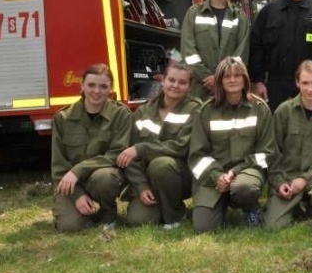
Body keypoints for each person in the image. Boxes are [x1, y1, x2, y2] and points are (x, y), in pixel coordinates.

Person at [188, 56, 275, 232]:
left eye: (237, 75)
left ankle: (251, 207)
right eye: (227, 76)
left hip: (247, 172)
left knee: (244, 187)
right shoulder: (206, 111)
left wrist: (234, 172)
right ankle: (221, 202)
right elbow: (197, 156)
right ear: (220, 81)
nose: (233, 80)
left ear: (245, 79)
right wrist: (217, 176)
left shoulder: (260, 108)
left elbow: (267, 153)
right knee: (204, 227)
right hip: (215, 177)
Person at [118, 62, 201, 229]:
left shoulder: (195, 110)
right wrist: (141, 187)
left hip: (181, 176)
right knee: (138, 220)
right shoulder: (143, 111)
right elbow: (129, 154)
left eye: (182, 82)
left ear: (189, 86)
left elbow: (182, 146)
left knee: (161, 165)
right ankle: (161, 206)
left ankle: (175, 216)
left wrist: (142, 149)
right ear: (162, 81)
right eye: (171, 80)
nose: (175, 85)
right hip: (149, 180)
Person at [51, 63, 132, 232]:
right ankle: (87, 213)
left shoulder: (121, 115)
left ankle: (108, 214)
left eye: (103, 86)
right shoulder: (62, 118)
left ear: (111, 89)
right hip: (73, 184)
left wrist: (79, 169)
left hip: (103, 179)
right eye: (91, 85)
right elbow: (59, 165)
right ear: (82, 86)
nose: (97, 91)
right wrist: (78, 195)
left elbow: (117, 154)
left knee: (105, 177)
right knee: (70, 226)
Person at [265, 60, 312, 229]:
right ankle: (293, 208)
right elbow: (273, 152)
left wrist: (305, 179)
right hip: (287, 178)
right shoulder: (283, 111)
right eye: (305, 83)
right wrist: (279, 183)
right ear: (297, 83)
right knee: (273, 226)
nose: (310, 89)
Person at [180, 0, 250, 99]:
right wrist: (206, 76)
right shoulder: (193, 13)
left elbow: (242, 52)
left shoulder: (239, 15)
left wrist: (221, 77)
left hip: (229, 86)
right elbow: (188, 51)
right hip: (200, 87)